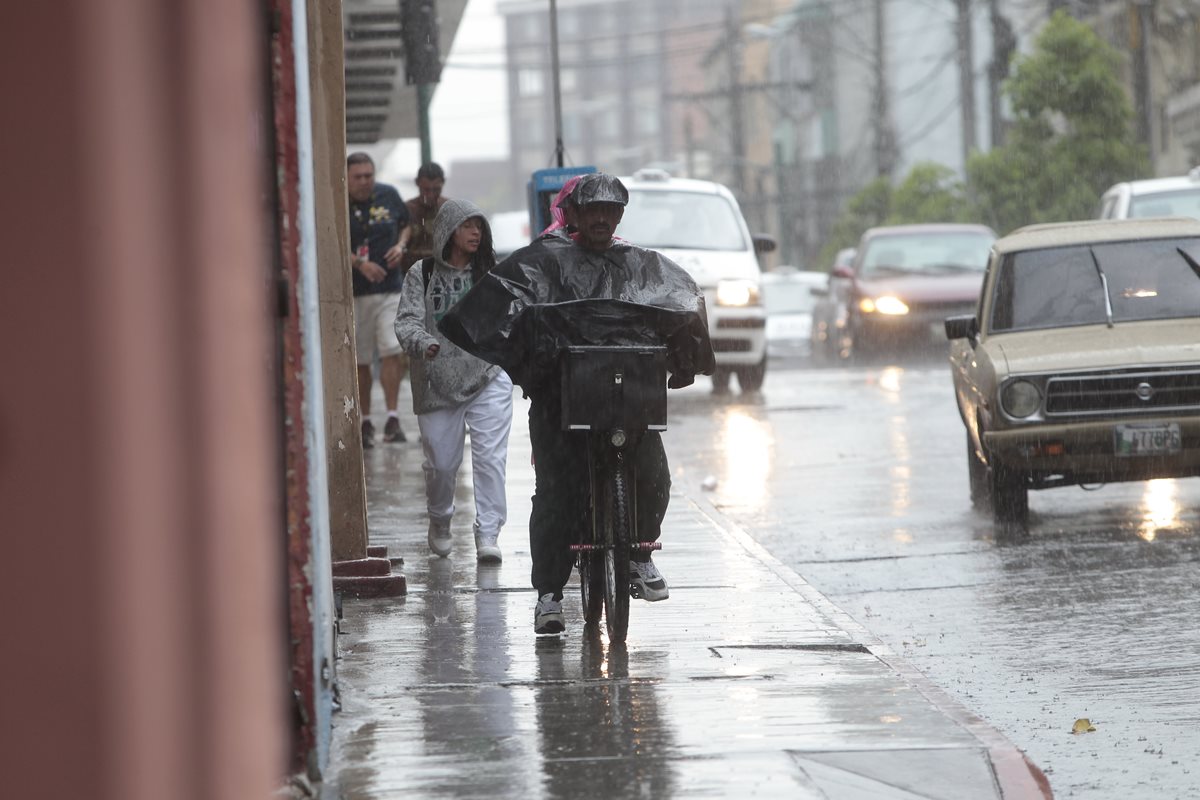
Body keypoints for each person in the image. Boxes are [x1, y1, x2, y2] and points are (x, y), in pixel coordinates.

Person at [438, 173, 715, 634]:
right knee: (554, 493)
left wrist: (684, 356)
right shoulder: (543, 262)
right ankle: (548, 595)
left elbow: (684, 301)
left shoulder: (642, 264)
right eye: (593, 210)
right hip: (560, 401)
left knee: (654, 477)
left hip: (628, 398)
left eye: (611, 210)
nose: (602, 218)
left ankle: (639, 556)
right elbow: (497, 304)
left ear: (621, 215)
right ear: (576, 215)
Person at [394, 199, 514, 562]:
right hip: (436, 383)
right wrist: (424, 342)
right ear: (448, 230)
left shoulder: (492, 274)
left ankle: (489, 531)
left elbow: (511, 318)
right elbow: (406, 322)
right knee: (442, 464)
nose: (475, 232)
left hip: (488, 375)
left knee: (491, 458)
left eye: (479, 226)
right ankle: (441, 518)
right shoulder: (423, 273)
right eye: (467, 225)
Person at [347, 152, 412, 447]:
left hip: (389, 287)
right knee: (360, 358)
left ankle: (393, 416)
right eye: (358, 176)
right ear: (346, 178)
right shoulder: (337, 201)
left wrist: (400, 245)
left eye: (368, 175)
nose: (364, 182)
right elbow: (328, 238)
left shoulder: (389, 195)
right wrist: (359, 264)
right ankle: (364, 421)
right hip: (354, 292)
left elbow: (406, 224)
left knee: (391, 350)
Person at [399, 162, 449, 276]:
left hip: (443, 273)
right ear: (417, 183)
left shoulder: (449, 209)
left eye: (436, 190)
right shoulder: (406, 210)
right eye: (426, 190)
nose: (431, 195)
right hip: (411, 274)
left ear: (443, 183)